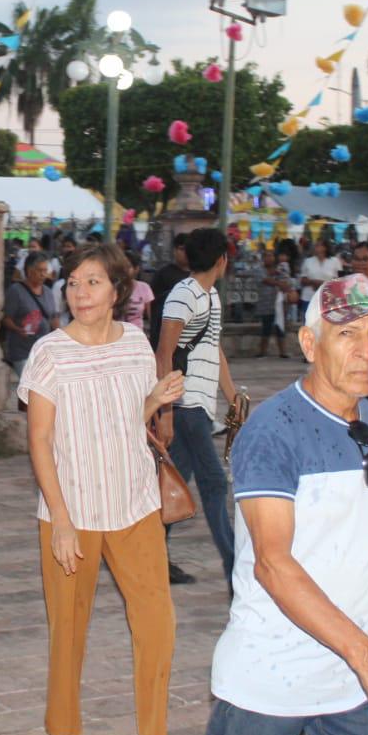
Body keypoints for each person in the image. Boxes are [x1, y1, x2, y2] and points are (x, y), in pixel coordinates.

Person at [185, 275, 368, 735]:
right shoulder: (273, 431)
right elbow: (274, 565)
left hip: (353, 678)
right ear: (310, 344)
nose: (366, 352)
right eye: (347, 335)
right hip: (275, 671)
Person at [20, 242, 199, 735]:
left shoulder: (137, 346)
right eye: (73, 282)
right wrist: (62, 520)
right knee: (69, 625)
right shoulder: (49, 352)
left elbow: (130, 419)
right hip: (72, 510)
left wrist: (155, 398)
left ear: (118, 289)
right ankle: (65, 729)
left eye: (92, 281)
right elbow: (39, 440)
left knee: (157, 625)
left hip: (135, 504)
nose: (80, 292)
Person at [155, 227, 238, 583]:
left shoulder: (210, 296)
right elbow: (164, 354)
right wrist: (166, 412)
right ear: (221, 260)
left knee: (177, 485)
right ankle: (234, 562)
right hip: (184, 404)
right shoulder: (183, 294)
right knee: (215, 483)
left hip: (198, 405)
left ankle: (152, 555)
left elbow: (213, 348)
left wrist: (232, 399)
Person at [2, 255, 56, 378]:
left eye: (45, 270)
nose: (43, 274)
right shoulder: (16, 291)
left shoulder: (48, 292)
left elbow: (53, 317)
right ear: (29, 271)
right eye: (40, 270)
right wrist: (17, 329)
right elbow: (6, 319)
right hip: (23, 351)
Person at [147, 233, 190, 344]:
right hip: (165, 330)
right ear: (175, 250)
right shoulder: (163, 273)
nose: (185, 253)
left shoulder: (198, 275)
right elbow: (151, 302)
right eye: (182, 249)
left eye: (189, 249)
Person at [256, 248, 292, 359]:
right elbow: (265, 280)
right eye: (267, 256)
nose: (269, 258)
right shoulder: (259, 270)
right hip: (265, 303)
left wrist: (283, 284)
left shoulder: (279, 269)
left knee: (280, 327)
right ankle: (262, 352)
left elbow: (286, 281)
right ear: (263, 258)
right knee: (266, 328)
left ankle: (283, 352)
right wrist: (279, 284)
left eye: (271, 256)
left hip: (279, 303)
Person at [299, 238, 342, 312]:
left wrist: (323, 284)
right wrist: (313, 282)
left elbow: (339, 280)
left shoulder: (335, 261)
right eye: (315, 245)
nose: (315, 247)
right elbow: (302, 279)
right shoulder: (308, 261)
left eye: (318, 245)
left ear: (325, 247)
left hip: (328, 299)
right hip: (309, 297)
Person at [122, 249, 155, 334]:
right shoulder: (112, 288)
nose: (124, 270)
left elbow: (151, 317)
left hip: (138, 335)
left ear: (136, 269)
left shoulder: (144, 288)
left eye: (128, 267)